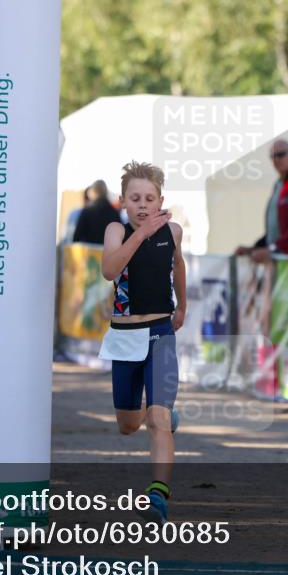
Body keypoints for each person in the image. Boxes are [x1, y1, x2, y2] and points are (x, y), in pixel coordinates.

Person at [99, 161, 186, 524]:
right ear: (123, 201)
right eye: (135, 198)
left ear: (161, 199)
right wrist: (141, 233)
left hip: (161, 334)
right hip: (125, 338)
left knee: (158, 422)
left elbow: (178, 266)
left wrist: (183, 306)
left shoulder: (173, 231)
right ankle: (160, 415)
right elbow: (109, 270)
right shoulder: (116, 230)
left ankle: (157, 496)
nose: (143, 205)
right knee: (127, 425)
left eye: (149, 198)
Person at [236, 139, 288, 262]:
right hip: (280, 258)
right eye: (272, 156)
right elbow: (277, 229)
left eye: (281, 154)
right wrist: (254, 248)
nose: (276, 159)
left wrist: (273, 248)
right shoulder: (279, 184)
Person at [73, 179, 122, 244]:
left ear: (93, 192)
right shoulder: (115, 213)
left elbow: (76, 238)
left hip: (90, 253)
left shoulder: (87, 211)